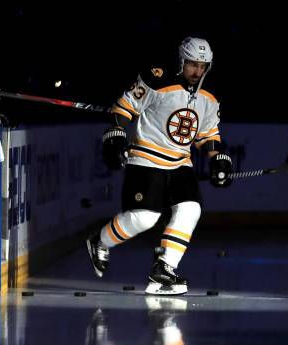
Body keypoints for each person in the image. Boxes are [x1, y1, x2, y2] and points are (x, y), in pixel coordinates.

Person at [87, 36, 232, 295]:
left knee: (190, 209)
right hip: (146, 157)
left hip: (181, 162)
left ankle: (163, 270)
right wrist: (116, 132)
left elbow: (208, 134)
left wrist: (218, 157)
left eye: (202, 66)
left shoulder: (210, 96)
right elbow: (126, 106)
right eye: (192, 65)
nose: (197, 71)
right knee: (144, 218)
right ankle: (100, 241)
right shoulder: (157, 79)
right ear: (181, 61)